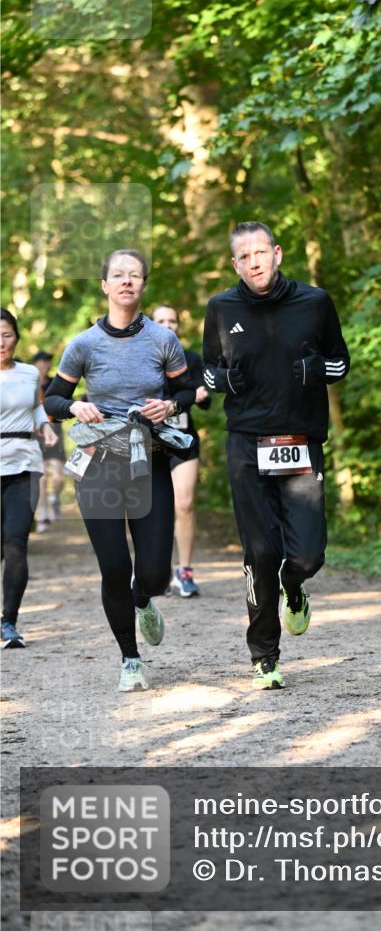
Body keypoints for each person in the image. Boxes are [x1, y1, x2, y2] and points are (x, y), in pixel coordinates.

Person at [202, 221, 350, 690]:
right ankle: (264, 657)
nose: (254, 262)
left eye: (261, 252)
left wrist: (315, 369)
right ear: (235, 264)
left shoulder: (315, 302)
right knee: (260, 551)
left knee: (307, 554)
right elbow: (208, 371)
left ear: (278, 253)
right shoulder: (221, 308)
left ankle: (294, 586)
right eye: (244, 257)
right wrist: (223, 381)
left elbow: (341, 361)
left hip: (300, 442)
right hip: (246, 442)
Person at [44, 250, 195, 692]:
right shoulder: (83, 345)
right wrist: (75, 405)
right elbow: (52, 400)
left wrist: (169, 404)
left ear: (144, 285)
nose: (127, 281)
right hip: (99, 468)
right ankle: (130, 658)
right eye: (118, 275)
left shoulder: (162, 340)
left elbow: (186, 389)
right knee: (113, 566)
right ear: (105, 286)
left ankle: (143, 597)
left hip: (148, 463)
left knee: (155, 573)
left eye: (135, 275)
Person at [1, 309, 59, 648]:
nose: (1, 341)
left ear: (16, 337)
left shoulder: (27, 374)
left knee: (16, 543)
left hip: (25, 465)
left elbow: (36, 409)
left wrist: (46, 428)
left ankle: (9, 621)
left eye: (6, 334)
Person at [152, 305, 211, 597]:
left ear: (178, 325)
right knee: (152, 509)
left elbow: (204, 399)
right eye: (160, 320)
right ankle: (154, 571)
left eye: (172, 320)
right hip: (149, 441)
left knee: (184, 504)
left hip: (184, 438)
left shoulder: (190, 359)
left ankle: (184, 572)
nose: (167, 325)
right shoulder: (141, 357)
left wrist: (200, 394)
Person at [31, 350, 66, 533]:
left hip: (54, 433)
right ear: (35, 364)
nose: (45, 365)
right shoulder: (28, 382)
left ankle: (54, 498)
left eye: (47, 362)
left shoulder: (54, 383)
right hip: (35, 436)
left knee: (58, 476)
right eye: (42, 362)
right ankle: (44, 515)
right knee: (42, 478)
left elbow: (62, 402)